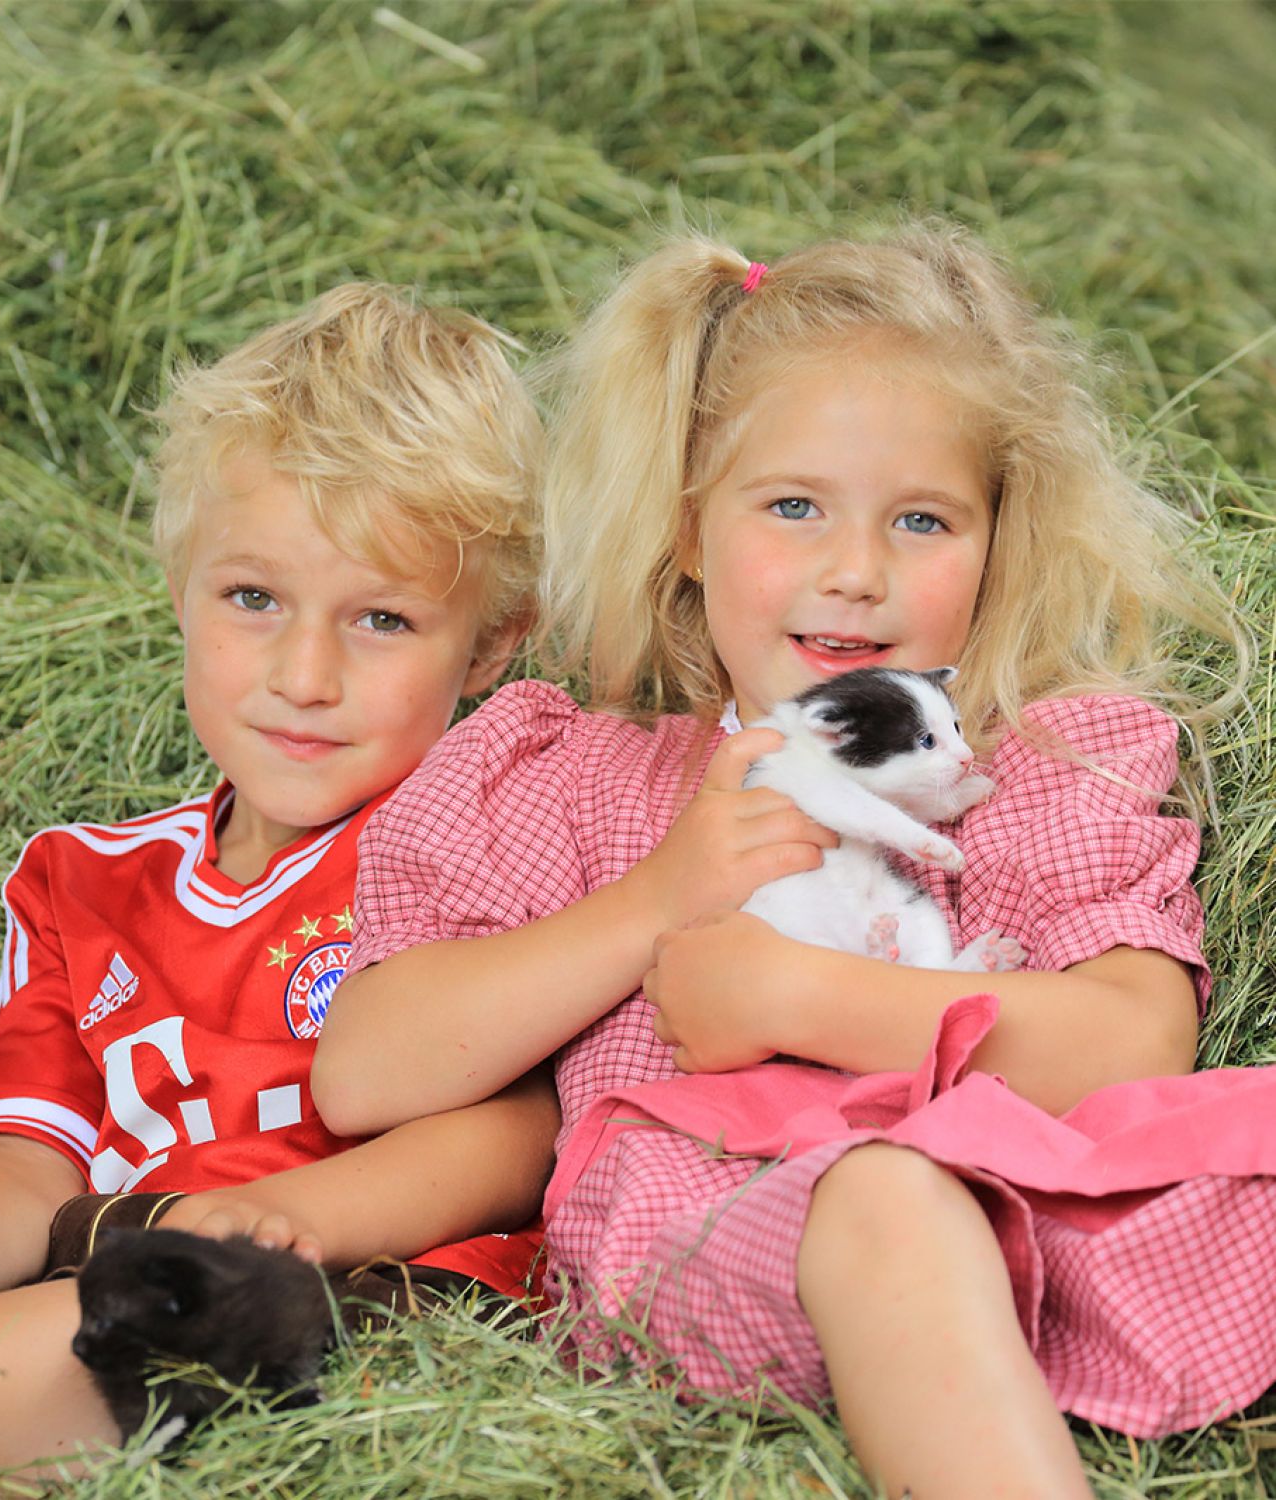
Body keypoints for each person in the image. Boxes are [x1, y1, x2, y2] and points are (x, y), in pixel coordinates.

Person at [311, 226, 1272, 1500]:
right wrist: (658, 901)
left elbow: (1127, 1040)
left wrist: (797, 1000)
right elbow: (369, 1071)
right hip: (723, 1207)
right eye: (794, 506)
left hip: (1032, 1192)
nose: (856, 571)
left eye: (922, 519)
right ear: (692, 527)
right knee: (888, 1203)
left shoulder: (1035, 760)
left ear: (998, 539)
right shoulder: (585, 777)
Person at [0, 283, 554, 1495]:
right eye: (254, 598)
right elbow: (37, 1128)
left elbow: (520, 1133)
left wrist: (280, 1220)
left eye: (384, 620)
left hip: (321, 1304)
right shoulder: (82, 880)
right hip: (97, 1272)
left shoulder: (482, 839)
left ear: (496, 641)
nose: (305, 675)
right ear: (180, 576)